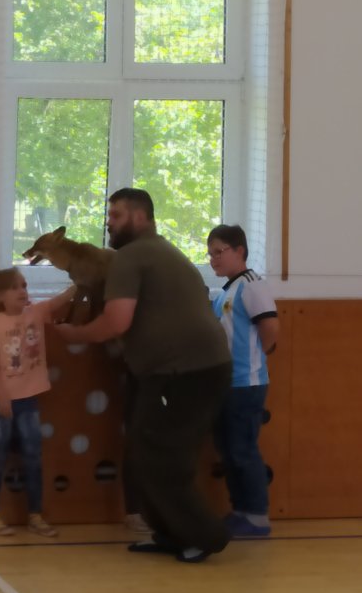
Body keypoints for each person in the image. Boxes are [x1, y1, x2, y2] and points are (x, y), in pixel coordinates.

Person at [54, 188, 232, 563]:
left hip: (185, 372)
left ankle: (205, 537)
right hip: (184, 370)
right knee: (145, 450)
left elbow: (116, 321)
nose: (109, 223)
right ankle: (171, 534)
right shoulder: (159, 251)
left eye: (116, 215)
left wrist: (75, 334)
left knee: (163, 456)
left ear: (139, 217)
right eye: (109, 215)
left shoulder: (132, 257)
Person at [0, 267, 74, 537]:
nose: (22, 291)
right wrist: (2, 395)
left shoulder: (36, 313)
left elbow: (61, 299)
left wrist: (81, 282)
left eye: (24, 285)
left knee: (33, 458)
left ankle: (35, 515)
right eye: (14, 287)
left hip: (29, 401)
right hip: (2, 402)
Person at [207, 224, 279, 537]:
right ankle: (240, 511)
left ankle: (257, 516)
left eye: (219, 252)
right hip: (225, 385)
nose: (213, 259)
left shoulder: (252, 286)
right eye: (210, 254)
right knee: (228, 450)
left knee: (243, 450)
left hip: (246, 385)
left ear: (240, 251)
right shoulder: (225, 291)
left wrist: (257, 357)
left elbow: (270, 329)